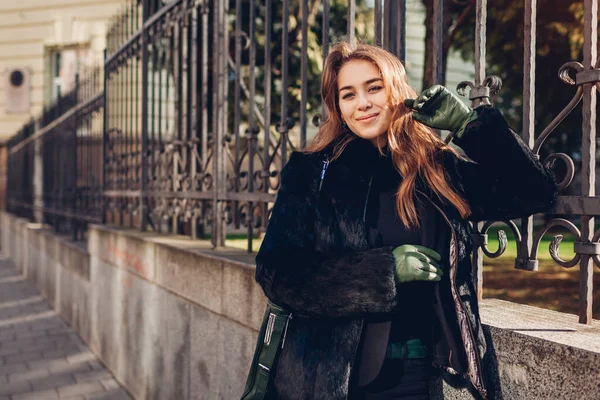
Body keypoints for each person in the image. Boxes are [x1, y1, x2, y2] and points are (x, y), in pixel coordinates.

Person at [253, 40, 557, 400]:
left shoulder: (435, 169)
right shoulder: (311, 172)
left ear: (396, 90)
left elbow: (535, 192)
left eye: (374, 88)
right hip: (325, 378)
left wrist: (470, 125)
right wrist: (383, 272)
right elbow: (277, 273)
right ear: (337, 106)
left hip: (414, 378)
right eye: (348, 95)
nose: (362, 103)